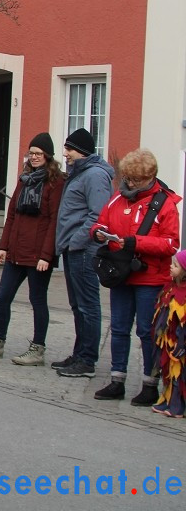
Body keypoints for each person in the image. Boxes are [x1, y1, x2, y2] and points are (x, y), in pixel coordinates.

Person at [89, 149, 180, 404]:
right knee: (118, 328)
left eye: (135, 180)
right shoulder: (118, 199)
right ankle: (117, 380)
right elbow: (101, 222)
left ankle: (150, 384)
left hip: (150, 277)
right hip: (121, 273)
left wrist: (134, 242)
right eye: (127, 178)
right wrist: (97, 233)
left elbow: (171, 244)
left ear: (150, 177)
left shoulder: (165, 203)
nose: (129, 183)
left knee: (146, 331)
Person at [0, 133, 65, 366]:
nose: (34, 157)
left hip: (38, 255)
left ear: (47, 156)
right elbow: (12, 214)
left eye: (38, 154)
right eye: (31, 153)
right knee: (3, 297)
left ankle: (37, 348)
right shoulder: (24, 179)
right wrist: (3, 246)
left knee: (37, 301)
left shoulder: (55, 183)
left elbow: (55, 221)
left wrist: (47, 255)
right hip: (16, 251)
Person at [53, 127, 114, 378]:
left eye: (69, 149)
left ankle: (87, 360)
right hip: (74, 249)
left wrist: (75, 241)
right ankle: (79, 354)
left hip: (85, 250)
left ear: (81, 151)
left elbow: (98, 216)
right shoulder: (79, 174)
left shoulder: (95, 176)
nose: (65, 153)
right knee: (78, 305)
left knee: (88, 305)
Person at [152, 249, 186, 417]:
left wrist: (182, 342)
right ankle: (169, 399)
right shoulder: (170, 288)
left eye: (175, 265)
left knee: (180, 374)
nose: (171, 268)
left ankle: (179, 406)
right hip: (168, 339)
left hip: (180, 341)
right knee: (168, 371)